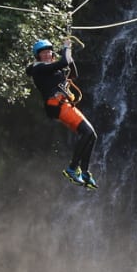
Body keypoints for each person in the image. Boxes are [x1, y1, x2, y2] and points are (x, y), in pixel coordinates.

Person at [26, 38, 97, 188]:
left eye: (48, 52)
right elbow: (64, 62)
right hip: (58, 106)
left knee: (91, 135)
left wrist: (68, 53)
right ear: (37, 56)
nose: (47, 55)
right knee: (87, 133)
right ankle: (72, 168)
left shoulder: (52, 68)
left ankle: (84, 172)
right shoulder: (38, 69)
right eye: (43, 53)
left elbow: (73, 74)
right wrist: (66, 48)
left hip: (65, 105)